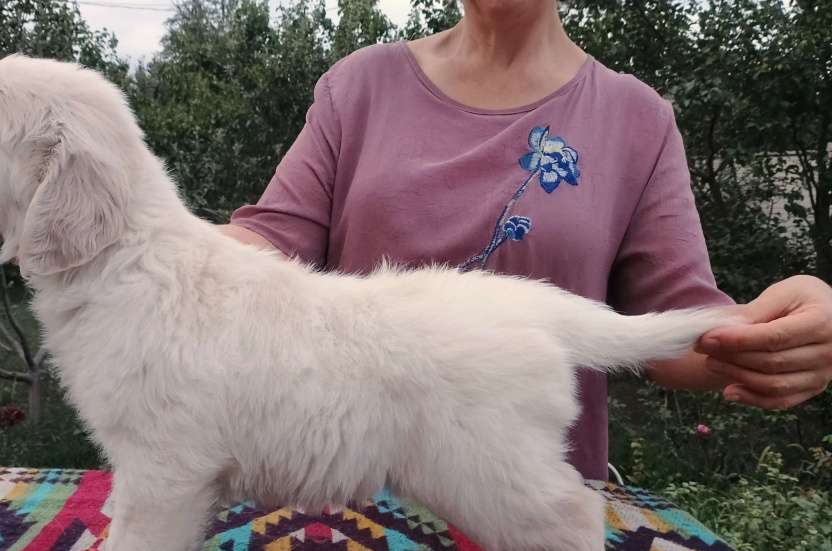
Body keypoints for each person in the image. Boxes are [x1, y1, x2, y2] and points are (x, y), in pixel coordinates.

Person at [219, 0, 832, 480]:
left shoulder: (635, 118)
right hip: (351, 500)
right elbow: (267, 245)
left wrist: (778, 331)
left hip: (525, 520)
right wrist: (148, 237)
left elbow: (674, 335)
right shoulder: (357, 87)